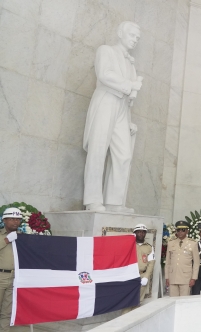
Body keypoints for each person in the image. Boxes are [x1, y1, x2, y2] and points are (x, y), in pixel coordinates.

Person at [83, 21, 144, 213]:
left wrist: (128, 120)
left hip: (122, 108)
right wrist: (130, 85)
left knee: (124, 155)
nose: (135, 40)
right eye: (132, 35)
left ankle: (114, 202)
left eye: (137, 38)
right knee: (98, 150)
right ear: (120, 33)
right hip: (106, 101)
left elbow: (128, 96)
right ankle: (93, 200)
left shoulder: (131, 63)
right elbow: (104, 74)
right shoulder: (106, 50)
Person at [122, 224, 155, 313]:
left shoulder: (149, 247)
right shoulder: (128, 245)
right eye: (139, 232)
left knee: (138, 301)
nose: (141, 234)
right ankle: (124, 322)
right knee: (127, 301)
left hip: (142, 276)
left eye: (143, 232)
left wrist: (146, 277)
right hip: (130, 276)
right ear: (135, 233)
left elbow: (151, 263)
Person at [165, 221, 199, 297]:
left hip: (186, 278)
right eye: (178, 230)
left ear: (187, 231)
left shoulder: (193, 244)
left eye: (183, 230)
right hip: (173, 276)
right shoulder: (171, 243)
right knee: (172, 301)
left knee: (184, 302)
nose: (180, 232)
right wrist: (167, 277)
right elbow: (168, 262)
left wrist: (193, 278)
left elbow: (196, 263)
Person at [0, 208, 19, 332]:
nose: (15, 222)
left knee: (7, 309)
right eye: (12, 219)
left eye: (18, 219)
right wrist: (6, 240)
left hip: (15, 277)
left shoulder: (22, 237)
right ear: (4, 220)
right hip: (1, 275)